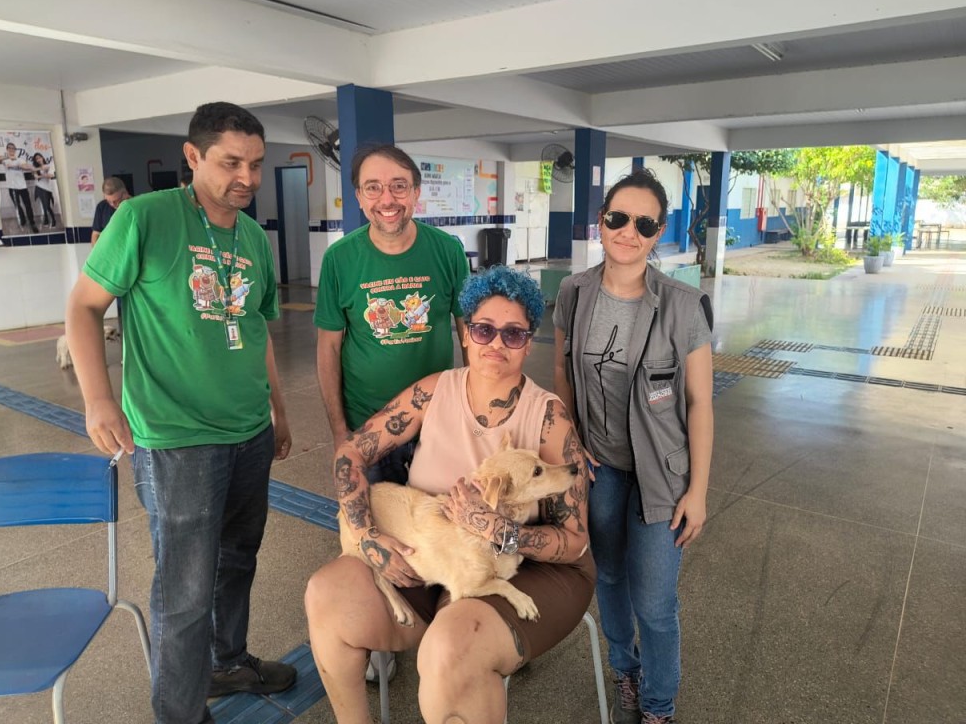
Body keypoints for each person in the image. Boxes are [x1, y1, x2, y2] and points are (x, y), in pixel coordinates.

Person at [65, 101, 296, 724]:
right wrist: (98, 399)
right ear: (192, 157)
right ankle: (180, 712)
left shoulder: (253, 237)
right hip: (178, 440)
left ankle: (227, 662)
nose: (247, 177)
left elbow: (256, 329)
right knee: (185, 588)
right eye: (231, 163)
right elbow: (84, 307)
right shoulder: (145, 217)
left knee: (238, 559)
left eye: (255, 164)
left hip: (249, 431)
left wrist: (276, 408)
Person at [305, 265, 595, 724]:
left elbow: (575, 542)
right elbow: (351, 454)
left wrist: (501, 531)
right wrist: (367, 537)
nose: (496, 343)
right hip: (435, 555)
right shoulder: (433, 391)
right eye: (483, 329)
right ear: (465, 333)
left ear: (528, 342)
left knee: (450, 648)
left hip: (531, 570)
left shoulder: (548, 418)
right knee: (326, 593)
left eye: (513, 334)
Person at [552, 169, 714, 724]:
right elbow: (562, 371)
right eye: (618, 218)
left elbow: (700, 403)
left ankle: (658, 705)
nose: (628, 232)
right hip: (600, 470)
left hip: (661, 478)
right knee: (610, 578)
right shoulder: (574, 292)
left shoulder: (684, 306)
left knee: (655, 604)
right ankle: (625, 669)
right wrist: (572, 442)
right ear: (601, 222)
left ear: (658, 233)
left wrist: (698, 490)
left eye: (644, 224)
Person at [315, 143, 469, 484]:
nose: (387, 200)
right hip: (367, 423)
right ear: (359, 196)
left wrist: (475, 416)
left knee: (437, 514)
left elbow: (469, 336)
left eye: (399, 186)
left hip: (436, 419)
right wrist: (339, 431)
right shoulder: (339, 259)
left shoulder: (447, 251)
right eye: (373, 187)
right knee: (375, 515)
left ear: (415, 193)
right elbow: (329, 348)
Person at [0, 142, 37, 233]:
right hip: (12, 187)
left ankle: (32, 223)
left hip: (23, 187)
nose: (11, 149)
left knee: (28, 205)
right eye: (10, 148)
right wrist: (8, 157)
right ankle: (23, 220)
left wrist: (15, 164)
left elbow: (25, 167)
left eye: (13, 148)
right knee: (17, 206)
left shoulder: (20, 159)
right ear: (7, 149)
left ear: (15, 150)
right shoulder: (5, 160)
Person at [90, 177, 131, 244]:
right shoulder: (101, 207)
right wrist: (95, 250)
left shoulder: (134, 206)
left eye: (116, 201)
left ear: (125, 194)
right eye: (109, 201)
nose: (112, 204)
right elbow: (96, 234)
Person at [31, 152, 58, 229]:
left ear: (42, 157)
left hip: (47, 189)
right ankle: (46, 220)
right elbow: (36, 177)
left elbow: (50, 175)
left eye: (39, 157)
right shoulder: (35, 168)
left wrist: (41, 174)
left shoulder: (48, 165)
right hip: (39, 187)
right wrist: (43, 174)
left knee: (47, 206)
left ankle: (53, 220)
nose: (38, 159)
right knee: (43, 205)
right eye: (36, 159)